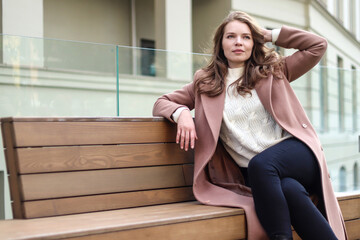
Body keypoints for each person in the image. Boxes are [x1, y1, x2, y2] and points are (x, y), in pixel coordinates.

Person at [153, 11, 347, 240]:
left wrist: (267, 34)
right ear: (220, 43)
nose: (238, 42)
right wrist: (182, 112)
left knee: (262, 165)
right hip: (260, 175)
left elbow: (317, 45)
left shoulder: (274, 71)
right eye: (231, 36)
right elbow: (161, 102)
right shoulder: (204, 82)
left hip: (297, 154)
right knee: (290, 190)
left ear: (254, 42)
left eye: (246, 37)